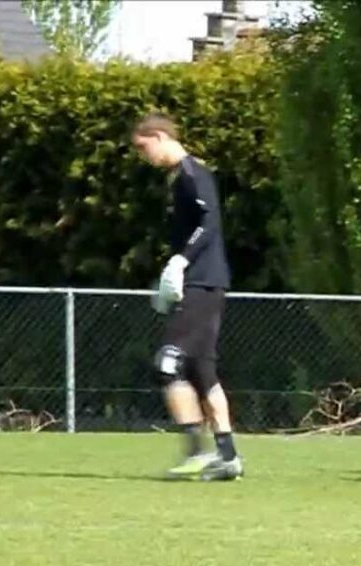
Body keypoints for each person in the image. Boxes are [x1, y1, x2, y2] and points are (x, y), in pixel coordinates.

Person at [131, 112, 242, 481]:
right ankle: (228, 458)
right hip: (201, 282)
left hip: (202, 282)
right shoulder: (178, 177)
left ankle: (197, 450)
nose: (144, 156)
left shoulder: (193, 173)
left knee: (168, 364)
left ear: (160, 136)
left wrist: (182, 261)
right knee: (201, 369)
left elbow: (209, 223)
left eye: (144, 147)